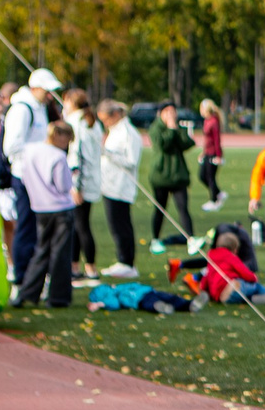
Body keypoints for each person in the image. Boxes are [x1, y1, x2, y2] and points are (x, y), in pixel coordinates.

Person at [11, 120, 83, 309]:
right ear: (60, 136)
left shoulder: (30, 151)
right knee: (60, 253)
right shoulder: (58, 156)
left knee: (41, 251)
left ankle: (27, 293)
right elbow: (64, 186)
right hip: (60, 208)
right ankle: (58, 297)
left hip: (39, 206)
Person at [1, 69, 58, 282]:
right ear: (35, 88)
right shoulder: (23, 109)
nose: (50, 95)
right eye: (47, 91)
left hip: (37, 177)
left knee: (36, 228)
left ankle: (33, 275)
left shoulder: (38, 107)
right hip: (25, 177)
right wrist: (38, 156)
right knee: (25, 228)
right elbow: (12, 147)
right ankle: (22, 275)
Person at [98, 100, 142, 275]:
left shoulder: (129, 133)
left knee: (121, 225)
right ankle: (122, 259)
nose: (104, 123)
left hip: (121, 186)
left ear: (115, 115)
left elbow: (131, 161)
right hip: (109, 185)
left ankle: (127, 262)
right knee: (115, 224)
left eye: (105, 119)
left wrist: (108, 154)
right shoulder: (114, 131)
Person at [65, 89, 105, 276]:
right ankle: (75, 266)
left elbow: (77, 156)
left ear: (72, 103)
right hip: (92, 179)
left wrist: (76, 186)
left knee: (81, 225)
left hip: (81, 181)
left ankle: (90, 267)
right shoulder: (93, 122)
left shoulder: (76, 123)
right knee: (78, 224)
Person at [147, 102, 196, 246]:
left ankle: (190, 238)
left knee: (183, 208)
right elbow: (162, 145)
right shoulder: (156, 128)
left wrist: (176, 129)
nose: (171, 115)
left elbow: (187, 143)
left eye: (173, 112)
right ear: (160, 113)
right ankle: (155, 239)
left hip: (178, 176)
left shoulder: (178, 127)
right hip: (161, 176)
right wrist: (170, 130)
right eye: (167, 112)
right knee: (160, 210)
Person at [195, 98, 227, 210]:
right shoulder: (206, 121)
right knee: (202, 176)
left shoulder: (214, 121)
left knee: (210, 177)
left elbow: (216, 140)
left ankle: (214, 200)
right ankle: (219, 193)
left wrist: (218, 156)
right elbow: (207, 140)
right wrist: (203, 153)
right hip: (207, 153)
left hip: (213, 154)